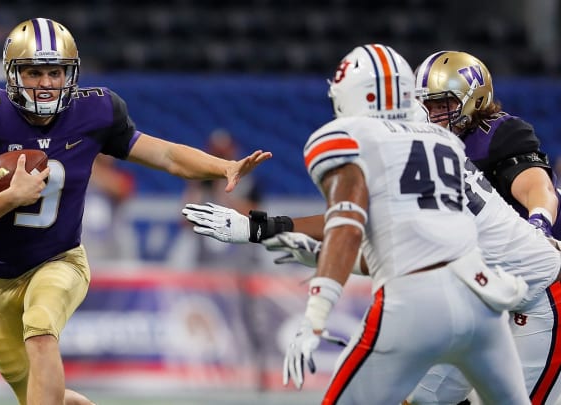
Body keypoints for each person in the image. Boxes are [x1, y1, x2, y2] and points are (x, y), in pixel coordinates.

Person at [0, 18, 271, 405]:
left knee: (41, 328)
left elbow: (163, 153)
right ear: (13, 75)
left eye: (55, 72)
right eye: (34, 71)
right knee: (36, 392)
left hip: (59, 260)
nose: (46, 83)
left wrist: (221, 167)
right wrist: (10, 197)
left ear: (71, 73)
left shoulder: (95, 110)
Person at [189, 43, 530, 403]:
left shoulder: (348, 138)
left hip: (415, 300)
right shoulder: (444, 141)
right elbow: (415, 241)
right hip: (483, 297)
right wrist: (274, 234)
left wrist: (314, 317)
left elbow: (347, 222)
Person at [415, 50, 560, 239]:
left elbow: (537, 187)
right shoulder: (418, 143)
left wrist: (540, 224)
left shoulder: (496, 135)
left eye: (442, 106)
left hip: (545, 245)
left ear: (476, 99)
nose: (431, 117)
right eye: (426, 107)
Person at [179, 128, 264, 269]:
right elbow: (185, 219)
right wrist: (196, 186)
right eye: (217, 153)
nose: (221, 158)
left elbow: (256, 217)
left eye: (224, 153)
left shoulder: (248, 181)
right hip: (207, 253)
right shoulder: (202, 182)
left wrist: (225, 197)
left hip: (241, 252)